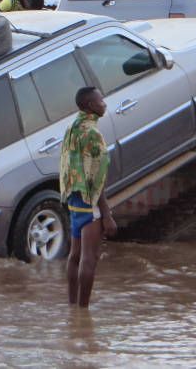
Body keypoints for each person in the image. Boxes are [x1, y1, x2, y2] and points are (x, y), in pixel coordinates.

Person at [60, 86, 117, 308]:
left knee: (74, 255)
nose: (104, 103)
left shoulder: (72, 128)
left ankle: (72, 307)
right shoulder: (93, 134)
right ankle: (83, 312)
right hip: (89, 201)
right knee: (89, 258)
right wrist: (106, 214)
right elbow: (96, 177)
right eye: (101, 100)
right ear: (90, 106)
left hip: (73, 200)